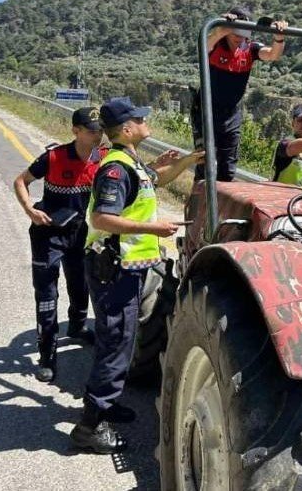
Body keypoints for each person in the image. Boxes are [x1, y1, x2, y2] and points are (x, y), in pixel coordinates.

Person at [70, 96, 203, 454]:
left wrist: (189, 162)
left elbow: (153, 181)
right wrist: (154, 228)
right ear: (127, 129)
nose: (147, 121)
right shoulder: (115, 168)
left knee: (123, 341)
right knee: (114, 345)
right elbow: (101, 219)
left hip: (126, 269)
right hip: (113, 270)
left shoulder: (130, 162)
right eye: (141, 119)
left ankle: (106, 405)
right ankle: (90, 426)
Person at [12, 106, 105, 383]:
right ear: (76, 131)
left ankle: (76, 327)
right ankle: (47, 355)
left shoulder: (102, 158)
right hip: (47, 235)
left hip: (79, 234)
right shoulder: (53, 157)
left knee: (80, 287)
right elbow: (20, 180)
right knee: (47, 296)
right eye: (92, 131)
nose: (98, 136)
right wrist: (30, 209)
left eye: (100, 130)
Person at [191, 5, 288, 182]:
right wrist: (223, 27)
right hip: (206, 111)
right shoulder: (215, 43)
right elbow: (204, 45)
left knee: (227, 170)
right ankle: (200, 205)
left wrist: (279, 39)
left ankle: (221, 208)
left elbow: (272, 55)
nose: (238, 37)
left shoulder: (250, 49)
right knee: (206, 165)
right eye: (235, 32)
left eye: (244, 32)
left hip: (231, 114)